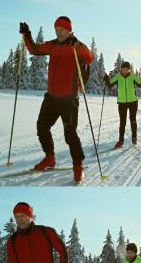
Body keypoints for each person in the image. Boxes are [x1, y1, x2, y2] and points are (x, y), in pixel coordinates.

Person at [20, 16, 93, 184]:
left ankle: (78, 165)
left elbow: (89, 58)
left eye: (61, 30)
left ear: (69, 30)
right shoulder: (52, 45)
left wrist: (78, 44)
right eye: (56, 30)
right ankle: (50, 158)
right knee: (42, 126)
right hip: (52, 98)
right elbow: (35, 50)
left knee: (70, 134)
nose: (58, 32)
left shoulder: (75, 46)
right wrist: (27, 35)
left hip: (69, 100)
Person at [103, 62, 141, 148]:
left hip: (133, 102)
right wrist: (106, 79)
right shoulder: (118, 77)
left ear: (129, 69)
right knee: (122, 121)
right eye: (123, 69)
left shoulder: (133, 76)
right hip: (122, 102)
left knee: (132, 119)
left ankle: (134, 137)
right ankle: (121, 140)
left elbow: (140, 85)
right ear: (121, 69)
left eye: (127, 69)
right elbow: (109, 85)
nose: (125, 71)